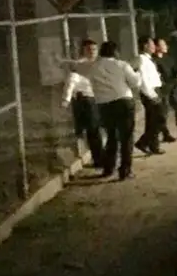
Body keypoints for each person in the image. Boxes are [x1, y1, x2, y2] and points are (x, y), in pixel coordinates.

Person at [56, 40, 155, 181]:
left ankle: (109, 168)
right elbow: (135, 83)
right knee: (126, 138)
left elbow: (75, 66)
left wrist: (60, 61)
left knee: (111, 137)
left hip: (104, 105)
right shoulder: (122, 65)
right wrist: (138, 73)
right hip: (123, 101)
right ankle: (125, 170)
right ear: (115, 52)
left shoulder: (92, 67)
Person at [60, 38, 105, 169]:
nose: (92, 52)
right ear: (84, 51)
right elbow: (71, 82)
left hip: (100, 98)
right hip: (87, 99)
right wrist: (66, 99)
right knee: (93, 130)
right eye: (89, 49)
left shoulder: (100, 63)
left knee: (101, 129)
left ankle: (103, 155)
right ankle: (99, 159)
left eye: (94, 49)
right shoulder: (80, 65)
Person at [134, 36, 167, 155]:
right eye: (152, 44)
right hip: (150, 92)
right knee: (160, 119)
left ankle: (153, 145)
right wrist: (151, 94)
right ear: (145, 46)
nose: (154, 47)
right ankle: (143, 142)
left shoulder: (148, 59)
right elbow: (143, 79)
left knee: (152, 121)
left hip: (154, 90)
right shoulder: (142, 59)